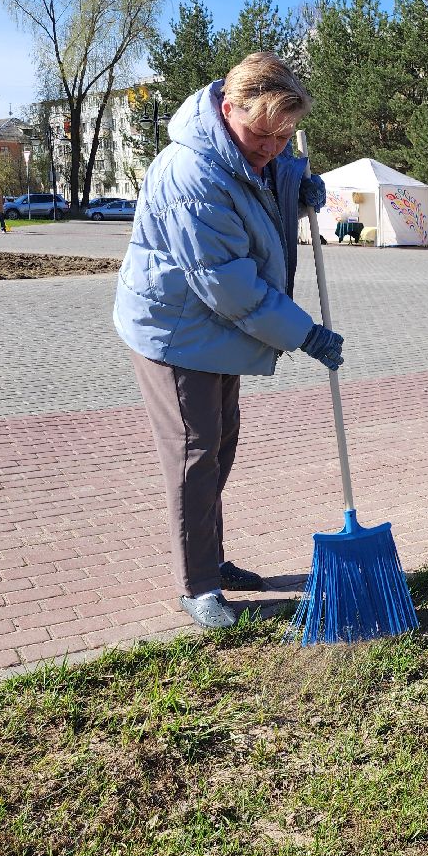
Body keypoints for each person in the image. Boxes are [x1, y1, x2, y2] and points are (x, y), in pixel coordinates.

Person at [113, 52, 338, 631]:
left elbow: (256, 203)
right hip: (176, 329)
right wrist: (304, 333)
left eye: (283, 137)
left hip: (215, 328)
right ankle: (197, 584)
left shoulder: (247, 152)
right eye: (262, 135)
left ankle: (209, 558)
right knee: (195, 451)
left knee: (220, 444)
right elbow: (226, 283)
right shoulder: (192, 174)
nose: (271, 148)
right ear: (229, 107)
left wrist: (294, 190)